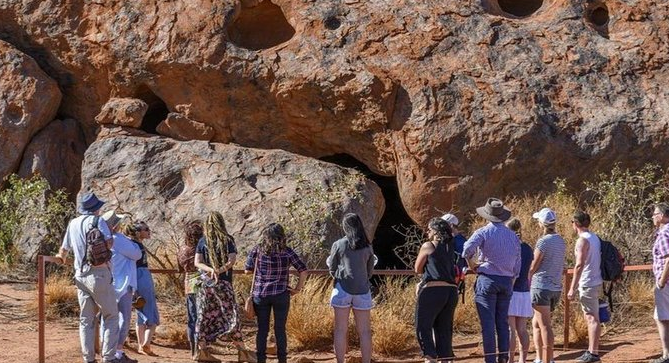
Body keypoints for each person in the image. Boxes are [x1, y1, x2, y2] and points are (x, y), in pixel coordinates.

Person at [54, 192, 122, 363]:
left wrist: (62, 258)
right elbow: (109, 243)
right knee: (111, 315)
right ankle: (109, 357)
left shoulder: (73, 223)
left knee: (86, 320)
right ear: (96, 209)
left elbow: (63, 251)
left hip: (80, 276)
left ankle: (88, 358)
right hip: (99, 273)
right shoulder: (98, 222)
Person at [462, 198, 521, 363]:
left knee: (488, 324)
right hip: (506, 281)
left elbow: (466, 250)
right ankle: (503, 357)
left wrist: (472, 265)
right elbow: (518, 264)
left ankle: (490, 360)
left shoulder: (483, 232)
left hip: (487, 279)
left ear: (487, 215)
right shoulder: (513, 236)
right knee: (502, 323)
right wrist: (512, 279)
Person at [194, 211, 256, 363]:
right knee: (231, 316)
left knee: (203, 317)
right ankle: (242, 352)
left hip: (205, 286)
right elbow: (232, 260)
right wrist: (219, 271)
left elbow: (197, 262)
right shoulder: (228, 240)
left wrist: (210, 270)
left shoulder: (203, 241)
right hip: (223, 284)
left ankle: (201, 351)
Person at [244, 223, 308, 363]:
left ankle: (261, 359)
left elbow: (247, 270)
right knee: (280, 329)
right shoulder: (287, 251)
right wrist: (297, 288)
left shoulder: (258, 249)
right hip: (281, 294)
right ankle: (282, 359)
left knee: (262, 329)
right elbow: (303, 270)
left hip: (261, 294)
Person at [327, 213, 375, 363]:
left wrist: (337, 275)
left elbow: (332, 267)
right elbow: (370, 271)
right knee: (365, 331)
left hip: (343, 288)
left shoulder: (339, 244)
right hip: (362, 290)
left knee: (340, 329)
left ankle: (340, 361)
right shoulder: (367, 246)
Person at [414, 217, 460, 363]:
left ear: (435, 231)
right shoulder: (451, 246)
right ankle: (445, 358)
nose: (427, 231)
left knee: (423, 326)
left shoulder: (428, 246)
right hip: (451, 292)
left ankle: (430, 358)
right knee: (444, 328)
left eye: (429, 229)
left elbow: (417, 269)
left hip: (433, 291)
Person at [102, 211, 141, 363]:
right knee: (123, 319)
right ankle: (117, 352)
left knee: (107, 319)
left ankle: (108, 351)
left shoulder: (105, 240)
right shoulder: (118, 239)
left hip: (108, 282)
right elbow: (137, 254)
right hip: (124, 284)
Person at [528, 208, 566, 363]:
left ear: (541, 223)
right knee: (536, 323)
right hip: (555, 287)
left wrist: (526, 275)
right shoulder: (560, 240)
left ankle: (548, 359)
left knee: (544, 325)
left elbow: (534, 265)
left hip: (541, 286)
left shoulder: (543, 241)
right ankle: (539, 357)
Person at [567, 210, 603, 363]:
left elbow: (579, 264)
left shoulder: (582, 240)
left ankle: (593, 353)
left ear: (576, 224)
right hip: (595, 281)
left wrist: (572, 288)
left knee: (591, 318)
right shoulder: (594, 237)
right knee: (593, 317)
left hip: (587, 282)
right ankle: (592, 351)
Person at [127, 220, 160, 356]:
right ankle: (146, 343)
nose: (148, 231)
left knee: (140, 310)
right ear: (138, 232)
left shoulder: (131, 245)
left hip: (134, 278)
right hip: (143, 276)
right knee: (150, 311)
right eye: (145, 229)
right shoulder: (137, 247)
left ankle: (141, 345)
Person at [505, 218, 533, 363]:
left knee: (511, 329)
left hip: (512, 290)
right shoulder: (528, 248)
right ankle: (523, 359)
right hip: (524, 291)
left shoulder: (511, 247)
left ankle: (510, 360)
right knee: (522, 328)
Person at [177, 220, 204, 360]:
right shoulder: (202, 248)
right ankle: (201, 348)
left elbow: (180, 268)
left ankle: (193, 349)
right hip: (202, 282)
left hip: (188, 283)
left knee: (191, 317)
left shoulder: (182, 249)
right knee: (202, 317)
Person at [651, 203, 669, 363]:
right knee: (659, 315)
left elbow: (668, 258)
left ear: (662, 216)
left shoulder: (664, 234)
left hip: (666, 282)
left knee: (662, 317)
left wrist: (662, 282)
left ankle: (666, 355)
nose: (652, 217)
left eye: (655, 214)